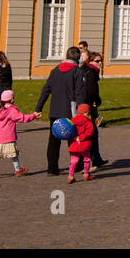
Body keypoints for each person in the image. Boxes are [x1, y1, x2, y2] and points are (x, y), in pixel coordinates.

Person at [35, 46, 87, 176]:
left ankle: (52, 168)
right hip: (70, 110)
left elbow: (45, 90)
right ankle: (78, 165)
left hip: (55, 110)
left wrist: (39, 107)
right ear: (78, 58)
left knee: (53, 140)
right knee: (74, 139)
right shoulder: (77, 72)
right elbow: (80, 93)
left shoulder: (55, 71)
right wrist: (82, 111)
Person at [0, 90, 38, 179]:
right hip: (9, 136)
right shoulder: (11, 110)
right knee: (13, 154)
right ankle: (17, 170)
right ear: (12, 100)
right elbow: (22, 118)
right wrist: (33, 115)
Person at [84, 51, 109, 168]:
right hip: (89, 107)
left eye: (101, 61)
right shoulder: (91, 73)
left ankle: (96, 158)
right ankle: (90, 161)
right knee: (91, 133)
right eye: (97, 61)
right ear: (90, 61)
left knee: (93, 133)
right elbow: (91, 91)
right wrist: (96, 101)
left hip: (88, 106)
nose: (100, 63)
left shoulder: (89, 71)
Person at [67, 104, 96, 183]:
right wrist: (82, 137)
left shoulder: (72, 121)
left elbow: (69, 131)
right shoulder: (87, 121)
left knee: (73, 161)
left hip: (74, 143)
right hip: (84, 144)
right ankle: (86, 174)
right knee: (86, 159)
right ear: (86, 113)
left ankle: (70, 176)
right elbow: (90, 132)